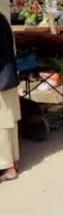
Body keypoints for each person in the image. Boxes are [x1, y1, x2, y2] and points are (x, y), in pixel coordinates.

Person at [0, 12, 20, 182]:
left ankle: (8, 167)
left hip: (1, 79)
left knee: (2, 124)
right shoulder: (1, 18)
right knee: (8, 122)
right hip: (6, 78)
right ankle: (13, 161)